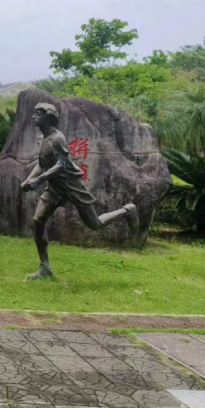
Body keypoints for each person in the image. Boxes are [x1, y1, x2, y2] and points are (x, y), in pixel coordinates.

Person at [21, 103, 140, 280]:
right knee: (38, 220)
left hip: (71, 185)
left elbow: (61, 165)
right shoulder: (42, 139)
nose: (33, 117)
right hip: (55, 187)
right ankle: (45, 267)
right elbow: (41, 163)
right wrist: (29, 179)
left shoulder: (57, 138)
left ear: (48, 117)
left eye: (38, 113)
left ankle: (127, 210)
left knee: (95, 224)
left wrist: (38, 180)